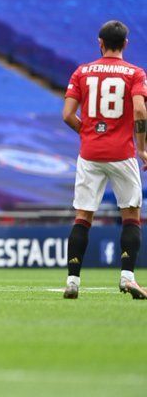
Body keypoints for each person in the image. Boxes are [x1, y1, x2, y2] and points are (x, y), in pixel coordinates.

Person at [62, 20, 147, 299]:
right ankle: (127, 277)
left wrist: (86, 133)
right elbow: (139, 112)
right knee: (131, 214)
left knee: (83, 216)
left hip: (90, 153)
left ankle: (73, 281)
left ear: (99, 42)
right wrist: (142, 148)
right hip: (122, 153)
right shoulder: (135, 73)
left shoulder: (82, 72)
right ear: (125, 44)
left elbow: (67, 115)